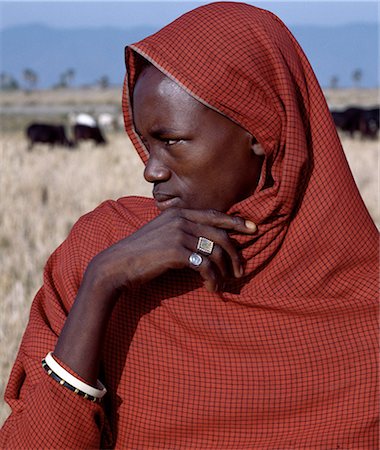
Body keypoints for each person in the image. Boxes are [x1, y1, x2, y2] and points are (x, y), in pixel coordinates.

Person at [0, 2, 378, 448]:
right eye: (145, 142)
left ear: (260, 131)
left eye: (171, 141)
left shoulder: (364, 303)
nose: (151, 171)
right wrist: (101, 286)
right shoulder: (103, 251)